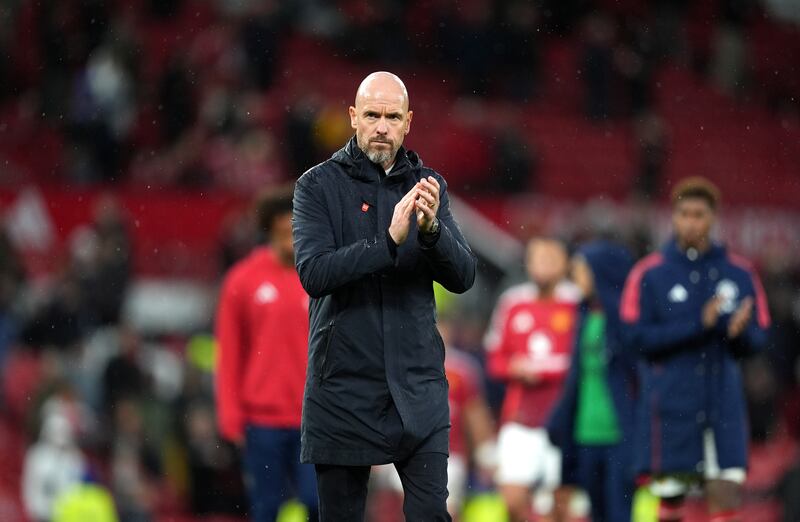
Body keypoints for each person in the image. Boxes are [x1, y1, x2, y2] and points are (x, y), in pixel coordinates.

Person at [292, 71, 476, 521]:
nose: (381, 126)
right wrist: (387, 243)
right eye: (372, 114)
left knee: (432, 515)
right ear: (353, 117)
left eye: (392, 116)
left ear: (408, 122)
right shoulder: (316, 186)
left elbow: (464, 277)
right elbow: (314, 273)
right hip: (343, 389)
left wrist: (432, 233)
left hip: (417, 386)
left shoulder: (430, 186)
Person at [620, 177, 771, 522]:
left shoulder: (740, 272)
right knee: (671, 498)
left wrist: (738, 334)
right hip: (671, 404)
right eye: (684, 213)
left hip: (723, 401)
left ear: (713, 217)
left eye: (699, 214)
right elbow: (636, 340)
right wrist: (698, 325)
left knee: (725, 489)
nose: (691, 221)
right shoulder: (650, 274)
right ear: (673, 217)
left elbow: (760, 339)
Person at [214, 186, 318, 522]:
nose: (292, 235)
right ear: (270, 228)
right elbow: (229, 354)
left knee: (319, 505)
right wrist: (231, 417)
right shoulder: (242, 281)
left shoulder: (323, 276)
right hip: (261, 420)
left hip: (314, 419)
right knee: (265, 509)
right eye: (285, 228)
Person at [484, 237, 580, 522]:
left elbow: (584, 362)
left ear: (565, 265)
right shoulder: (512, 302)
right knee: (512, 499)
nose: (544, 264)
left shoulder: (577, 303)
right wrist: (514, 369)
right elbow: (494, 360)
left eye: (551, 258)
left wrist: (543, 371)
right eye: (538, 257)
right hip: (521, 417)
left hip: (564, 419)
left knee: (561, 505)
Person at [369, 319, 497, 521]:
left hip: (449, 454)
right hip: (401, 450)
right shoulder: (400, 366)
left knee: (443, 509)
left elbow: (474, 414)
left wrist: (485, 454)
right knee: (394, 506)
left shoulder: (462, 370)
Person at [547, 240, 637, 522]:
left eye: (582, 271)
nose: (577, 278)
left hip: (619, 436)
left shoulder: (627, 320)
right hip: (586, 435)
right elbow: (577, 378)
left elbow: (640, 381)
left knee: (619, 515)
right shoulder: (583, 315)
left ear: (601, 273)